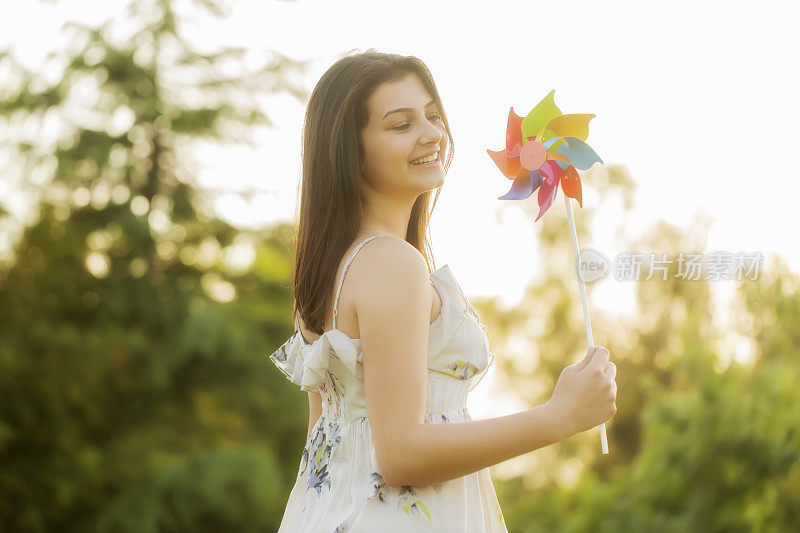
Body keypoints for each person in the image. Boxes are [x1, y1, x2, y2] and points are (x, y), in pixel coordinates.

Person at [269, 49, 617, 532]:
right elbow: (401, 455)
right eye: (400, 124)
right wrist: (559, 416)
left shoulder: (329, 270)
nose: (431, 133)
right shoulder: (391, 263)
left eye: (432, 115)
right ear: (351, 149)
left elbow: (324, 445)